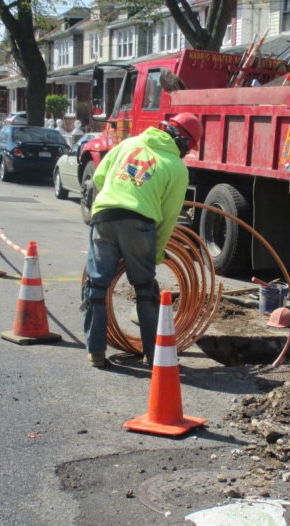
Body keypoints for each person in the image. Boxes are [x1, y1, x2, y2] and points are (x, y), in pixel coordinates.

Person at [82, 112, 203, 368]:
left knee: (97, 287)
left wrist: (117, 196)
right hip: (140, 222)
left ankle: (96, 353)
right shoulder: (176, 167)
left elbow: (99, 178)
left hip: (103, 215)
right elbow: (169, 217)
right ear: (183, 142)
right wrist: (156, 252)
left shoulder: (129, 143)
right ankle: (153, 354)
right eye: (189, 148)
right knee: (145, 289)